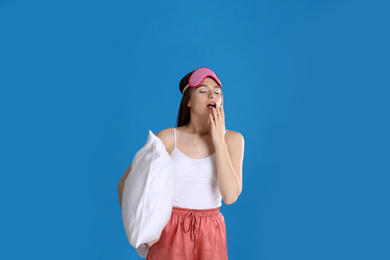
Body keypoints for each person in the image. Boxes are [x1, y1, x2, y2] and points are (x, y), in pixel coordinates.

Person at [117, 67, 244, 260]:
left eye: (217, 92)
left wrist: (218, 140)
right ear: (189, 102)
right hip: (170, 229)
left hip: (211, 232)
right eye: (203, 91)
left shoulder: (233, 140)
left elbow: (230, 196)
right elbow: (125, 184)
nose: (212, 95)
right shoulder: (168, 138)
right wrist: (142, 229)